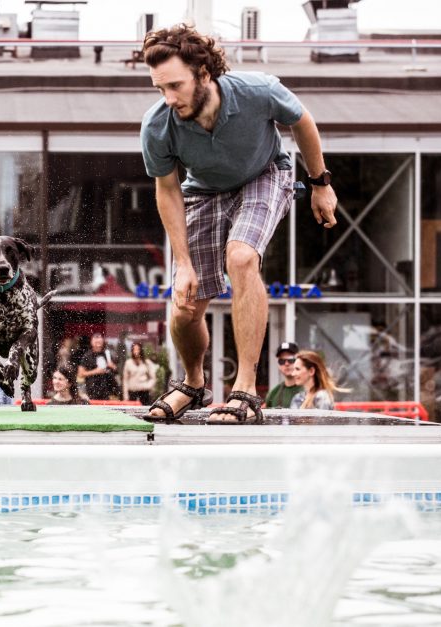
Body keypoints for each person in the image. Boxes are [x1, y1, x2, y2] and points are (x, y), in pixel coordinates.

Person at [139, 24, 338, 424]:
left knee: (242, 257)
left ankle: (246, 388)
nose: (168, 98)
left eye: (175, 85)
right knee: (185, 306)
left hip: (264, 175)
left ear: (204, 73)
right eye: (160, 88)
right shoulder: (158, 125)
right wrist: (184, 266)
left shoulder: (257, 91)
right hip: (204, 192)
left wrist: (320, 185)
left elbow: (302, 122)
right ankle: (193, 384)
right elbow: (168, 190)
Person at [78, 333, 118, 400]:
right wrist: (95, 371)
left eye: (100, 341)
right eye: (96, 341)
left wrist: (112, 366)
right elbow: (80, 374)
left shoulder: (107, 354)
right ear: (91, 342)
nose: (98, 343)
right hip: (92, 390)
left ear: (103, 342)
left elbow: (116, 371)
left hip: (106, 389)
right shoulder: (87, 356)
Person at [265, 341, 304, 409]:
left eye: (291, 360)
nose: (286, 364)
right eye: (282, 361)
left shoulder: (307, 389)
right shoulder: (273, 393)